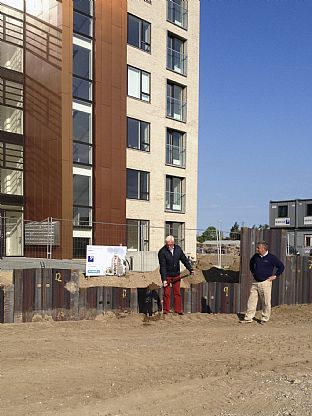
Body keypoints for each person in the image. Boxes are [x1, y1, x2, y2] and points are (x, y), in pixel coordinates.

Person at [240, 241, 284, 324]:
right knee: (251, 300)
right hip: (255, 282)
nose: (257, 249)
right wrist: (253, 272)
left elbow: (281, 266)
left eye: (258, 248)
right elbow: (251, 263)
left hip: (265, 282)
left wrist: (275, 276)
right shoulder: (256, 256)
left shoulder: (271, 258)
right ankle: (248, 318)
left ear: (264, 249)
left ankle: (264, 318)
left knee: (266, 301)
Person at [158, 235, 194, 315]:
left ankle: (178, 310)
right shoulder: (162, 252)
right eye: (167, 244)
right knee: (167, 293)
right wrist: (164, 279)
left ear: (173, 243)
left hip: (176, 274)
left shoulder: (178, 249)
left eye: (170, 244)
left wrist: (190, 269)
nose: (169, 246)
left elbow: (184, 260)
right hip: (167, 275)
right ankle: (166, 310)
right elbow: (162, 267)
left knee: (177, 292)